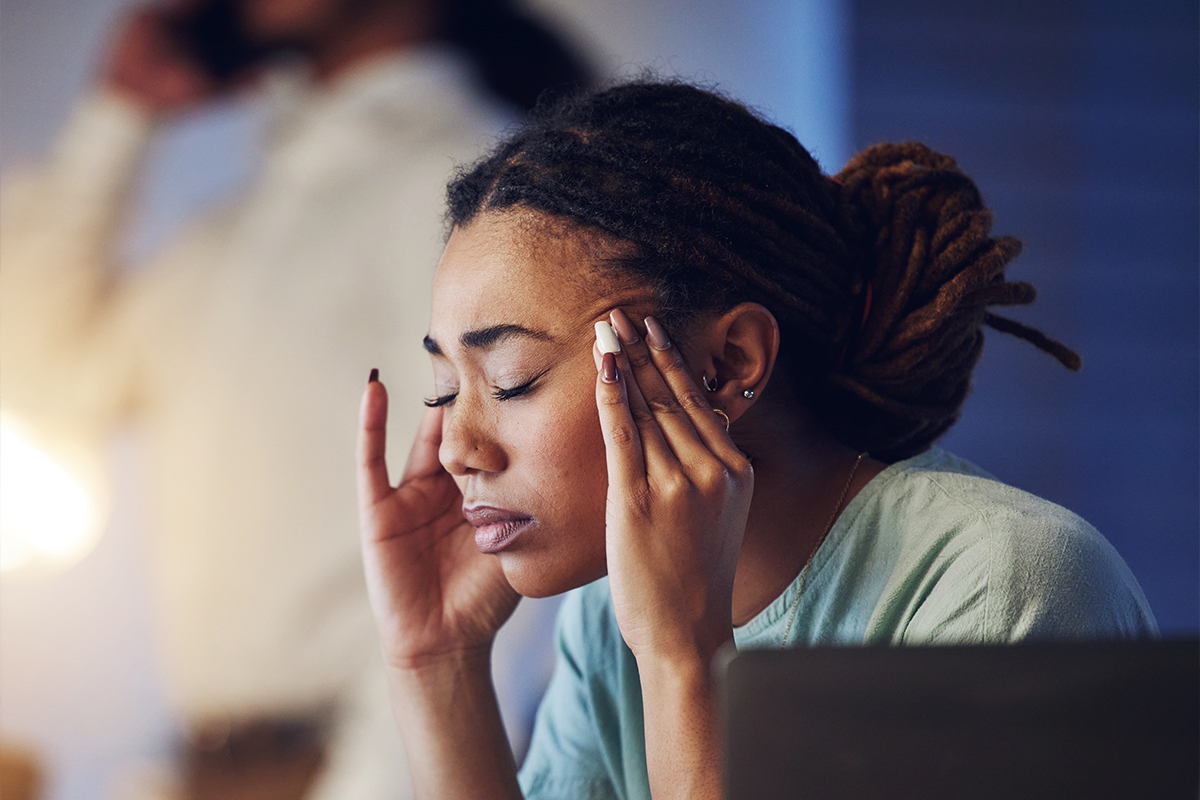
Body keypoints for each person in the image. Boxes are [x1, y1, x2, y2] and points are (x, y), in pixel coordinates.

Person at [356, 79, 1158, 800]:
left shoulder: (1007, 587)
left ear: (728, 362)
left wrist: (683, 659)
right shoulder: (610, 619)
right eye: (444, 390)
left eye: (512, 379)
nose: (459, 446)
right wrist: (439, 665)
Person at [0, 0, 589, 797]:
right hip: (205, 766)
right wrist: (118, 117)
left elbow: (514, 512)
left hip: (354, 768)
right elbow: (36, 369)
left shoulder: (458, 180)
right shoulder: (240, 228)